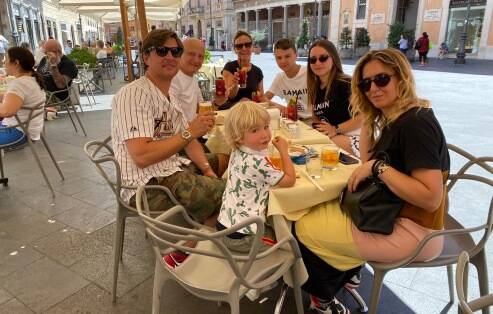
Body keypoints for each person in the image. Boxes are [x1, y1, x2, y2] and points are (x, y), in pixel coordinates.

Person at [295, 48, 450, 313]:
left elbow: (430, 198)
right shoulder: (398, 117)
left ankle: (325, 295)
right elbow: (366, 159)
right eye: (366, 84)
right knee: (317, 211)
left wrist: (379, 168)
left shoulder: (416, 124)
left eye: (381, 80)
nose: (373, 89)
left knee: (304, 227)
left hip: (414, 232)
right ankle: (344, 274)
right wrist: (368, 116)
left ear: (401, 77)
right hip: (388, 213)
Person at [111, 29, 227, 267]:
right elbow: (142, 156)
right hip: (147, 185)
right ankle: (211, 240)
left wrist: (206, 169)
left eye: (175, 51)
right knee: (234, 190)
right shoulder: (133, 95)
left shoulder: (167, 96)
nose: (170, 57)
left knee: (228, 160)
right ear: (145, 57)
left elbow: (190, 141)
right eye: (162, 51)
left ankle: (199, 236)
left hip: (172, 169)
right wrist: (189, 132)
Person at [217, 101, 296, 252]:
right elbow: (290, 181)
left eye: (266, 126)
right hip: (243, 237)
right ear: (239, 137)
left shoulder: (238, 149)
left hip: (224, 226)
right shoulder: (258, 163)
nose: (265, 134)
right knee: (288, 241)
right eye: (255, 130)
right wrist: (284, 151)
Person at [308, 40, 362, 157]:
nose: (317, 63)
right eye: (313, 60)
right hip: (332, 138)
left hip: (354, 138)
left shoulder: (346, 83)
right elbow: (316, 118)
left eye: (323, 58)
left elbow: (363, 117)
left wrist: (335, 129)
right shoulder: (314, 88)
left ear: (333, 58)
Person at [0, 47, 46, 148]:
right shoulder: (31, 80)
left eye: (6, 59)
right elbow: (12, 99)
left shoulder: (19, 84)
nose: (4, 62)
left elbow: (6, 112)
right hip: (28, 130)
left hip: (18, 132)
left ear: (16, 63)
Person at [264, 38, 310, 119]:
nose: (283, 61)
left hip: (312, 120)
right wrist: (281, 108)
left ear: (296, 56)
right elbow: (264, 99)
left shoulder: (308, 73)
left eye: (287, 56)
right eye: (279, 58)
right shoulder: (280, 77)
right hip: (293, 119)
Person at [221, 30, 264, 109]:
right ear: (235, 49)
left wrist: (280, 107)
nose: (244, 48)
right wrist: (236, 84)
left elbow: (261, 97)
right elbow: (230, 96)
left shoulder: (257, 71)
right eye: (239, 46)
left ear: (252, 47)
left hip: (251, 112)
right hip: (232, 112)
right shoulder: (229, 67)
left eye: (247, 45)